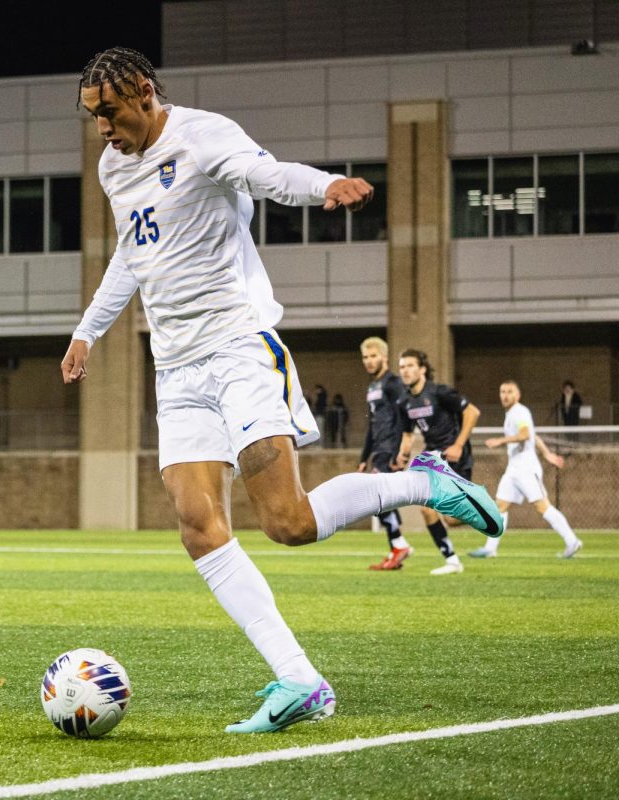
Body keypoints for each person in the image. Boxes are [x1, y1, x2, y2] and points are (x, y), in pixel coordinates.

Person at [63, 48, 503, 734]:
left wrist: (323, 185)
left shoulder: (204, 136)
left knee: (288, 524)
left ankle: (421, 483)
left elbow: (266, 175)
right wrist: (88, 330)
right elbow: (132, 251)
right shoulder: (113, 166)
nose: (102, 131)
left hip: (239, 347)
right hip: (176, 370)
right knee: (196, 524)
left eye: (110, 114)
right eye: (93, 119)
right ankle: (300, 681)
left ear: (145, 93)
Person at [393, 349, 486, 575]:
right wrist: (402, 456)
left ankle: (482, 508)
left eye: (410, 365)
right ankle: (452, 560)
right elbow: (408, 434)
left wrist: (458, 445)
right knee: (426, 509)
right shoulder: (404, 401)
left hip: (455, 455)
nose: (405, 370)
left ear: (422, 369)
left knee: (452, 519)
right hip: (433, 456)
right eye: (402, 366)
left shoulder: (440, 392)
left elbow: (472, 412)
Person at [471, 380, 582, 559]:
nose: (505, 395)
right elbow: (533, 434)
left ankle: (572, 541)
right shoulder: (512, 414)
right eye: (502, 392)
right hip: (514, 468)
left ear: (518, 395)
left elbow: (525, 434)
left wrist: (501, 441)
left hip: (526, 468)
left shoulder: (519, 411)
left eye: (509, 392)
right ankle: (490, 548)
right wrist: (547, 453)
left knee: (542, 506)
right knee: (500, 505)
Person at [356, 337, 413, 570]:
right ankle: (396, 548)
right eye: (365, 357)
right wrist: (363, 457)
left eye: (373, 356)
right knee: (381, 498)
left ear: (384, 357)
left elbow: (403, 417)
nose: (369, 361)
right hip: (378, 449)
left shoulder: (393, 383)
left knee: (377, 497)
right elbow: (372, 425)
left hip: (390, 448)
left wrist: (400, 451)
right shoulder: (372, 387)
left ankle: (399, 545)